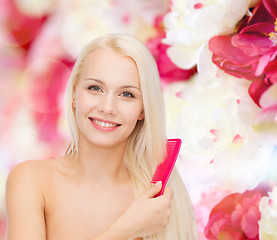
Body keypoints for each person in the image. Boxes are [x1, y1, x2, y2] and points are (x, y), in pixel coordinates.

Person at [6, 33, 198, 240]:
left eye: (127, 94)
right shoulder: (32, 180)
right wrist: (128, 229)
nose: (107, 108)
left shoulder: (156, 198)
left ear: (143, 109)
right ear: (73, 95)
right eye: (95, 88)